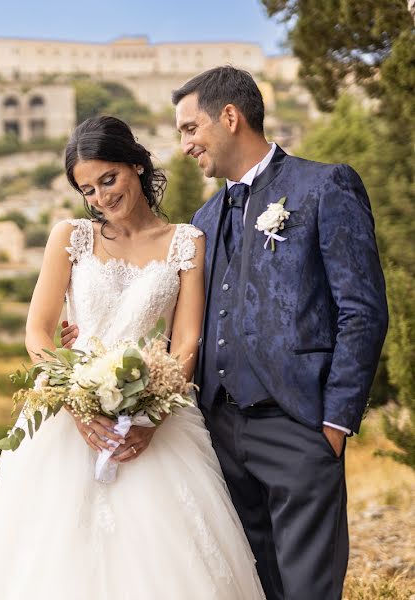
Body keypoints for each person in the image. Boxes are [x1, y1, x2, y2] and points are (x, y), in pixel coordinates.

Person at [62, 66, 388, 600]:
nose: (186, 145)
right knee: (249, 587)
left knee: (309, 588)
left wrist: (334, 421)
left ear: (230, 117)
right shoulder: (205, 219)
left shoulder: (323, 186)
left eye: (191, 128)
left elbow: (362, 310)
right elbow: (183, 324)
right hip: (219, 435)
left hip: (299, 425)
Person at [0, 115, 265, 599]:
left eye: (109, 179)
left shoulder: (187, 242)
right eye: (88, 190)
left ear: (137, 167)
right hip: (65, 418)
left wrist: (152, 416)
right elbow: (38, 331)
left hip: (155, 415)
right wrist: (74, 401)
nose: (101, 197)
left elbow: (186, 343)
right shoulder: (70, 237)